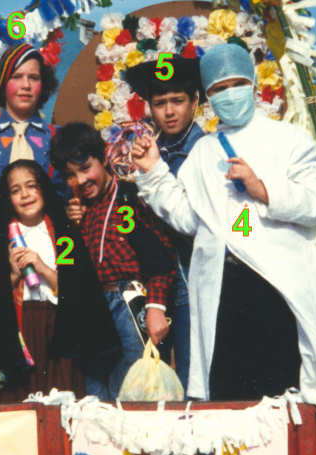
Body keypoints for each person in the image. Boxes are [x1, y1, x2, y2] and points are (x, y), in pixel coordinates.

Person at [131, 43, 316, 401]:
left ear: (253, 84)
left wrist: (262, 189)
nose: (229, 94)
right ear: (207, 97)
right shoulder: (204, 153)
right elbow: (189, 219)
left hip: (276, 286)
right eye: (219, 88)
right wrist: (153, 172)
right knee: (229, 398)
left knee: (281, 395)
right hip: (224, 290)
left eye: (237, 84)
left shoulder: (289, 140)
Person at [0, 160, 120, 402]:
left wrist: (42, 268)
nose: (25, 195)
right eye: (16, 190)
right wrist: (14, 275)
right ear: (8, 198)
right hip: (20, 331)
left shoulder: (63, 234)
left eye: (31, 186)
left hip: (58, 329)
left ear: (43, 189)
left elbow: (76, 290)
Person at [53, 122, 177, 401]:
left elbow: (160, 258)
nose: (80, 181)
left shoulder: (128, 198)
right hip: (93, 311)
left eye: (86, 168)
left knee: (133, 398)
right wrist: (73, 227)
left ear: (103, 158)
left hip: (128, 306)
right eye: (70, 175)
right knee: (97, 400)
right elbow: (68, 266)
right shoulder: (78, 210)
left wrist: (156, 308)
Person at [123, 56, 206, 392]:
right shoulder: (144, 150)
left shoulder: (205, 151)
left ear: (195, 102)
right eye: (159, 103)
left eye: (177, 101)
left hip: (190, 281)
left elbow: (220, 224)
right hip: (151, 285)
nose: (169, 111)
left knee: (192, 381)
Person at [0, 43, 64, 204]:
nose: (26, 85)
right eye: (17, 76)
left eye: (34, 78)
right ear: (3, 83)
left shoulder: (60, 138)